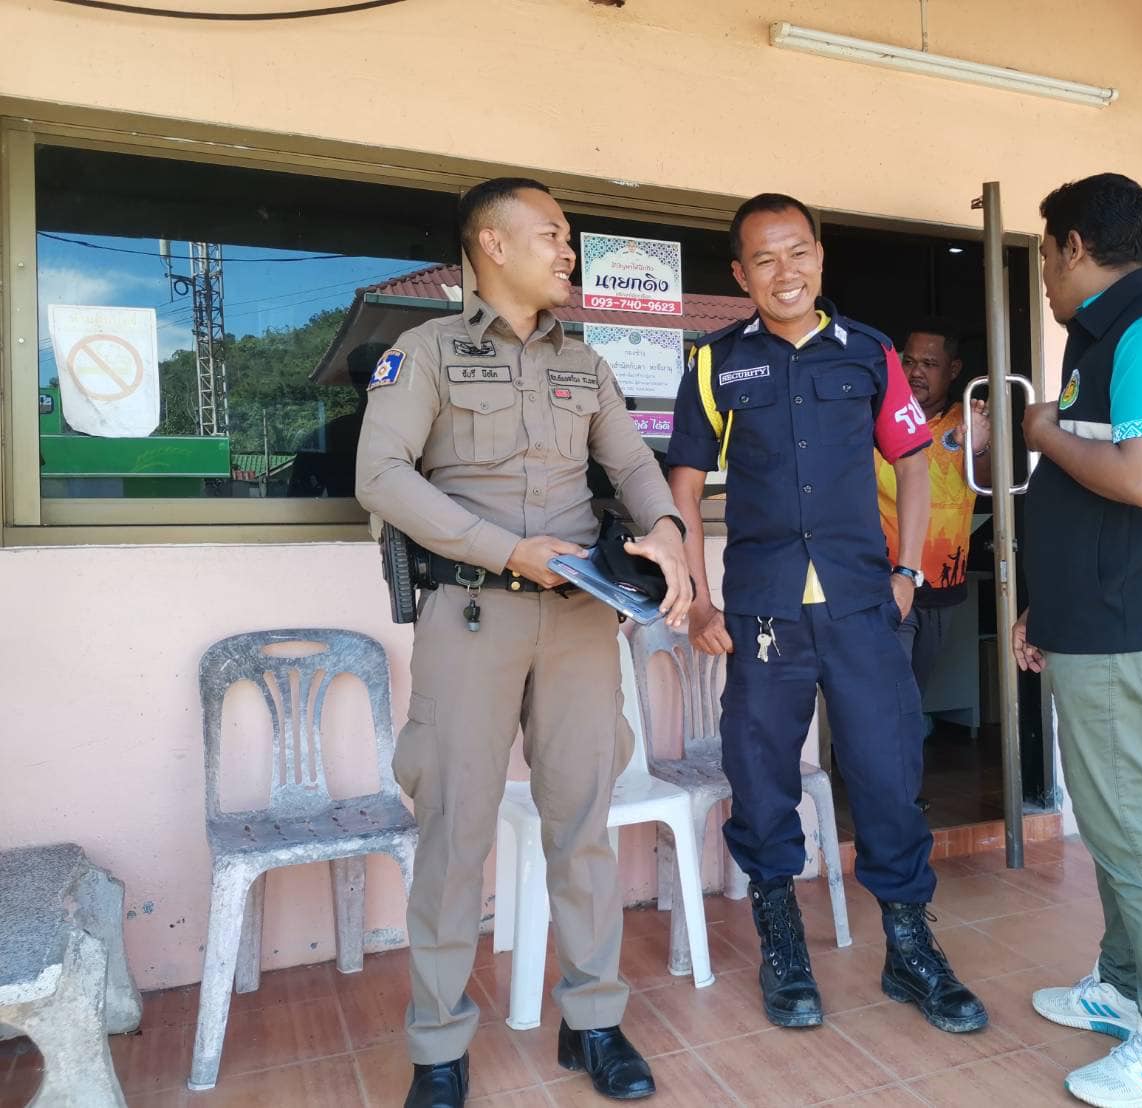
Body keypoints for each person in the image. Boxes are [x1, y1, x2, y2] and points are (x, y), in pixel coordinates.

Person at [356, 177, 693, 1108]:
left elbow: (632, 462)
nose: (568, 251)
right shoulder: (425, 351)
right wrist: (506, 550)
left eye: (569, 236)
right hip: (472, 613)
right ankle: (437, 1048)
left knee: (582, 823)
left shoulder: (584, 362)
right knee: (455, 830)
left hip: (581, 618)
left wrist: (666, 530)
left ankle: (593, 1023)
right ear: (493, 245)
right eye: (551, 234)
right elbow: (380, 475)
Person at [666, 193, 988, 1036]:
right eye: (764, 259)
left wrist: (907, 571)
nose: (785, 272)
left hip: (860, 605)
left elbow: (913, 460)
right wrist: (698, 599)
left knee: (886, 770)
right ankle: (782, 942)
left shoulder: (869, 354)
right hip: (764, 610)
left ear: (819, 257)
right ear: (740, 275)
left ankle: (908, 948)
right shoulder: (715, 364)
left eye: (797, 252)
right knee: (760, 772)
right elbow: (684, 486)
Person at [1011, 173, 1142, 1107]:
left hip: (1129, 629)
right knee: (1110, 823)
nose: (1042, 274)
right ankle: (1124, 987)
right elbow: (1090, 508)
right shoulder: (1101, 337)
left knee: (1132, 834)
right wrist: (1044, 611)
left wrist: (1039, 431)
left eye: (1043, 253)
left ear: (1072, 245)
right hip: (1096, 621)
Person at [875, 323, 990, 704]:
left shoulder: (968, 419)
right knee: (895, 691)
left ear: (953, 369)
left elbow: (989, 484)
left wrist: (978, 446)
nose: (916, 372)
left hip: (943, 590)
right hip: (888, 581)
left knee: (916, 690)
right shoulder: (878, 417)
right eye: (909, 362)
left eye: (929, 364)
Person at [289, 341, 389, 497]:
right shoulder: (327, 438)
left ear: (353, 380)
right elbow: (298, 502)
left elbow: (297, 500)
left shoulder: (323, 438)